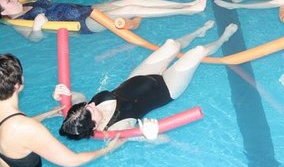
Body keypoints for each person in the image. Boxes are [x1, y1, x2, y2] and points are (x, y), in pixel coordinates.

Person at [58, 20, 238, 140]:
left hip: (139, 76)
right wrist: (151, 136)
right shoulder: (115, 128)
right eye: (91, 110)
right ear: (94, 125)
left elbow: (78, 97)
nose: (92, 104)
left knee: (171, 44)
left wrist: (65, 93)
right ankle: (223, 39)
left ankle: (197, 32)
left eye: (87, 105)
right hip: (167, 89)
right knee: (198, 51)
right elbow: (152, 138)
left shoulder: (86, 111)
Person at [0, 54, 125, 167]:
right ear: (19, 84)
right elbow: (72, 160)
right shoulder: (25, 127)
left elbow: (11, 129)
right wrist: (108, 149)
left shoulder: (14, 122)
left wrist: (48, 114)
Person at [0, 0, 207, 41]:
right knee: (129, 9)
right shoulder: (19, 21)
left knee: (131, 0)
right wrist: (37, 28)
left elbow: (47, 0)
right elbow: (34, 38)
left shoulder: (27, 3)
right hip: (83, 24)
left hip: (86, 9)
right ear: (3, 14)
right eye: (8, 1)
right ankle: (187, 11)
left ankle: (184, 4)